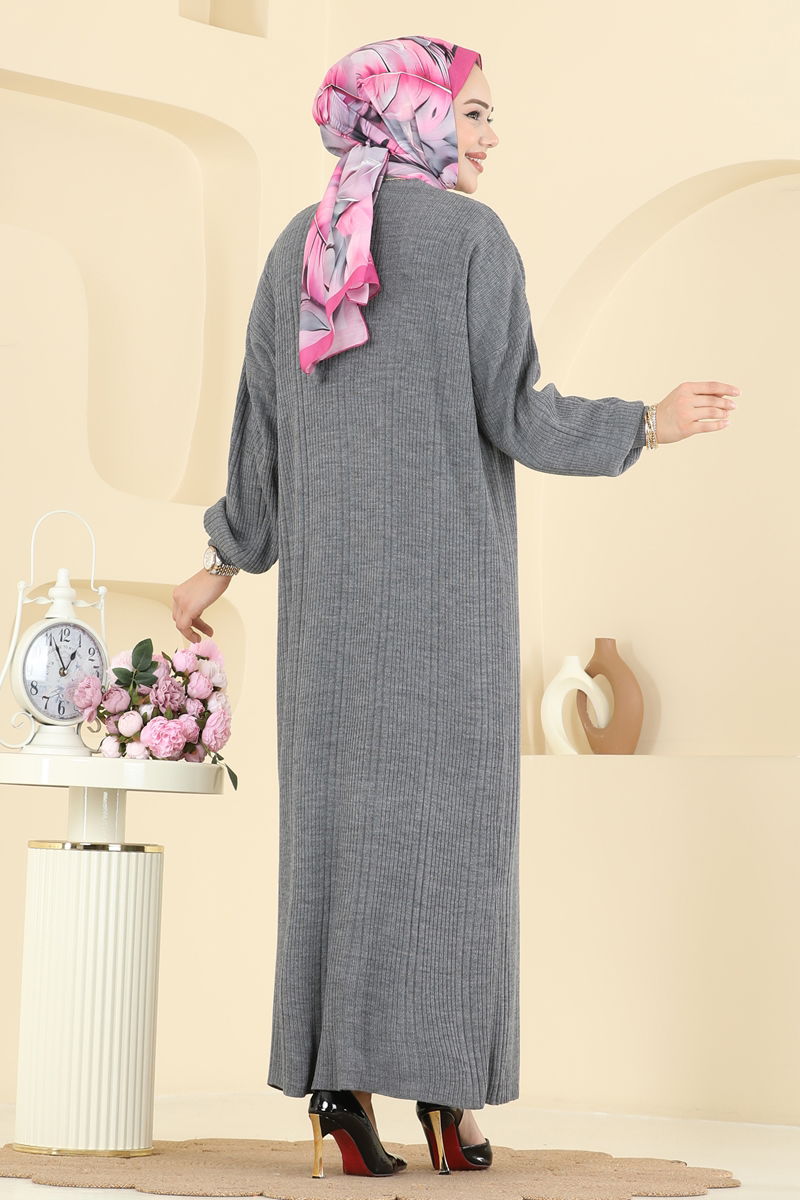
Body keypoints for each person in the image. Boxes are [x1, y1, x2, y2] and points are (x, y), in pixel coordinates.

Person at [171, 34, 740, 1179]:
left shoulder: (299, 247)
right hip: (447, 608)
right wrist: (646, 422)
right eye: (472, 112)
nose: (489, 136)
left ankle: (338, 1095)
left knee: (337, 846)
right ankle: (447, 1100)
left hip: (330, 623)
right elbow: (516, 415)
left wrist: (221, 562)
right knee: (452, 846)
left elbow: (261, 436)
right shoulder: (474, 241)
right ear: (414, 116)